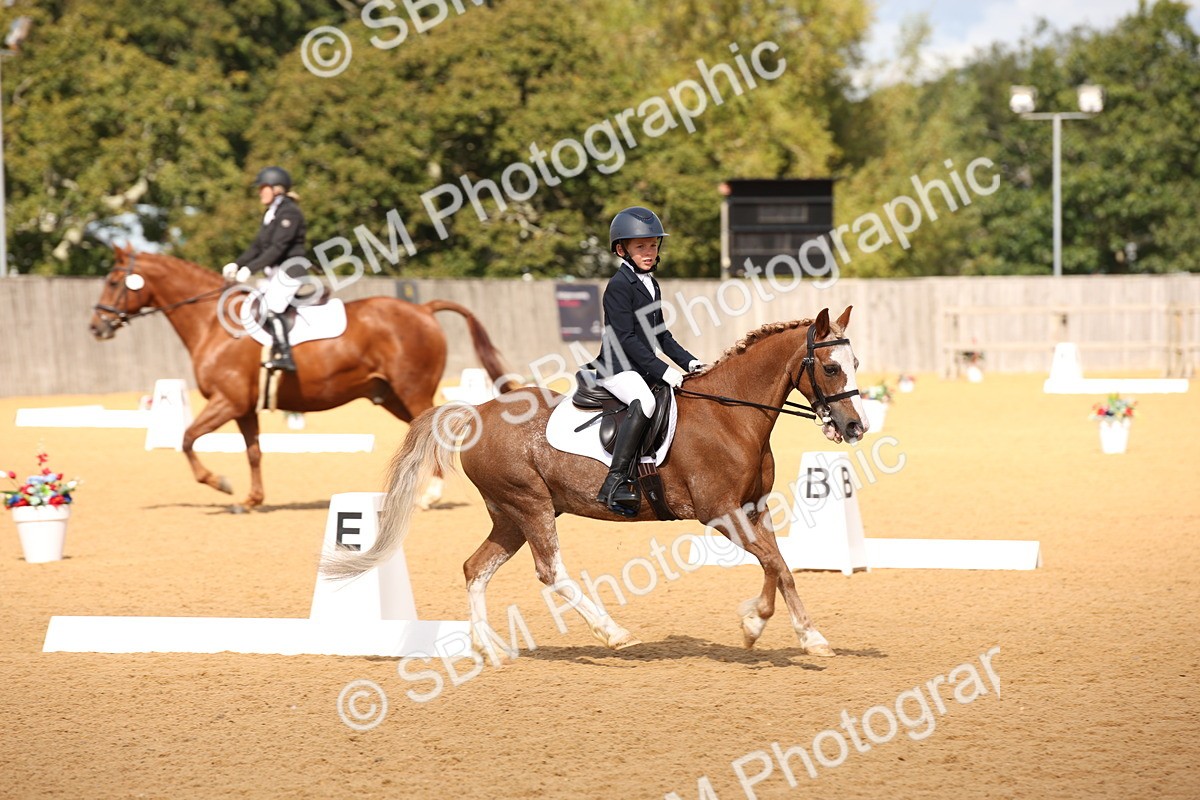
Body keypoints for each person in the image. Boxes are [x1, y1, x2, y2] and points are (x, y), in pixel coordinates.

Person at [588, 206, 705, 517]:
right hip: (616, 367)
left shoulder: (650, 283)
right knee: (645, 401)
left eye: (653, 245)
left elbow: (660, 335)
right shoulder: (618, 286)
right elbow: (625, 339)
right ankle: (615, 481)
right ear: (621, 249)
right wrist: (664, 371)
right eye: (641, 246)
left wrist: (690, 363)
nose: (649, 252)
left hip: (640, 366)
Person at [222, 166, 310, 372]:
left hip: (291, 271)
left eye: (264, 187)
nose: (260, 192)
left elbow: (277, 248)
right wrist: (238, 264)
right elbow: (257, 247)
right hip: (275, 274)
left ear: (277, 189)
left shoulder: (290, 212)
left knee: (269, 307)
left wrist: (250, 269)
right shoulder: (271, 213)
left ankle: (286, 356)